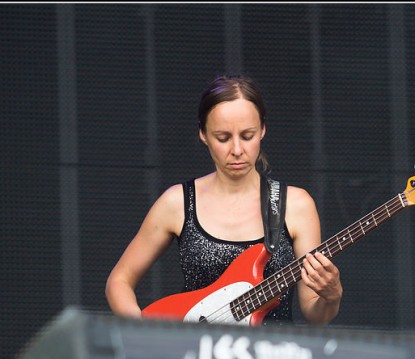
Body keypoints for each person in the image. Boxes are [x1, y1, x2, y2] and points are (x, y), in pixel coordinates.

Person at [105, 74, 343, 325]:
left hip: (272, 358)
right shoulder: (177, 203)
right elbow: (119, 281)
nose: (237, 150)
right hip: (196, 357)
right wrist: (146, 335)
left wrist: (332, 296)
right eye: (223, 137)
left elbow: (315, 315)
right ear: (203, 134)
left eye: (248, 135)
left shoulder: (295, 205)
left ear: (263, 129)